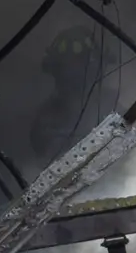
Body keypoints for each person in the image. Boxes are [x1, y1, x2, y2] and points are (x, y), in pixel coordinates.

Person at [29, 24, 117, 159]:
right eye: (67, 68)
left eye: (81, 67)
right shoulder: (44, 123)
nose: (73, 75)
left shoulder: (117, 108)